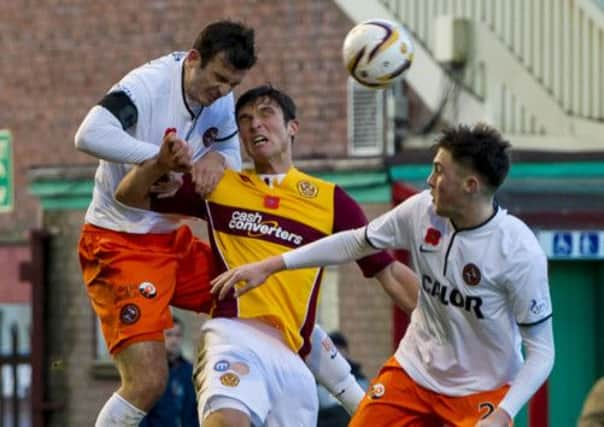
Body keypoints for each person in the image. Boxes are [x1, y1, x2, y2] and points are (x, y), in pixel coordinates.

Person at [210, 123, 556, 427]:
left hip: (483, 391)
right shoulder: (422, 210)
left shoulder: (519, 252)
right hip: (414, 373)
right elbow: (355, 243)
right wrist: (272, 265)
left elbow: (542, 352)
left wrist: (502, 413)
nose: (429, 180)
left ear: (470, 185)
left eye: (438, 171)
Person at [114, 85, 419, 426]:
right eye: (244, 119)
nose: (254, 124)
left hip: (292, 357)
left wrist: (449, 326)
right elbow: (128, 195)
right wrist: (159, 164)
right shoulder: (218, 185)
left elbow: (388, 272)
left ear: (293, 127)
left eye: (265, 113)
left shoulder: (333, 201)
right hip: (234, 334)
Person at [74, 20, 257, 426]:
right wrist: (155, 158)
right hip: (118, 243)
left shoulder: (222, 100)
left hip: (171, 240)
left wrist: (218, 158)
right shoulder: (145, 86)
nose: (224, 92)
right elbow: (87, 134)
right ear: (194, 59)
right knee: (147, 382)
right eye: (219, 79)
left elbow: (227, 148)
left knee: (254, 295)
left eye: (233, 84)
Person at [140, 317, 199, 427]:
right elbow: (141, 415)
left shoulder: (191, 371)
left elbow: (196, 411)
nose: (174, 340)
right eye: (169, 335)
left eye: (177, 335)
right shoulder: (149, 372)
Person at [317, 331, 368, 427]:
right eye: (333, 348)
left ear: (347, 352)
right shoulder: (317, 382)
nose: (337, 353)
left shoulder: (360, 380)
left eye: (340, 348)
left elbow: (364, 410)